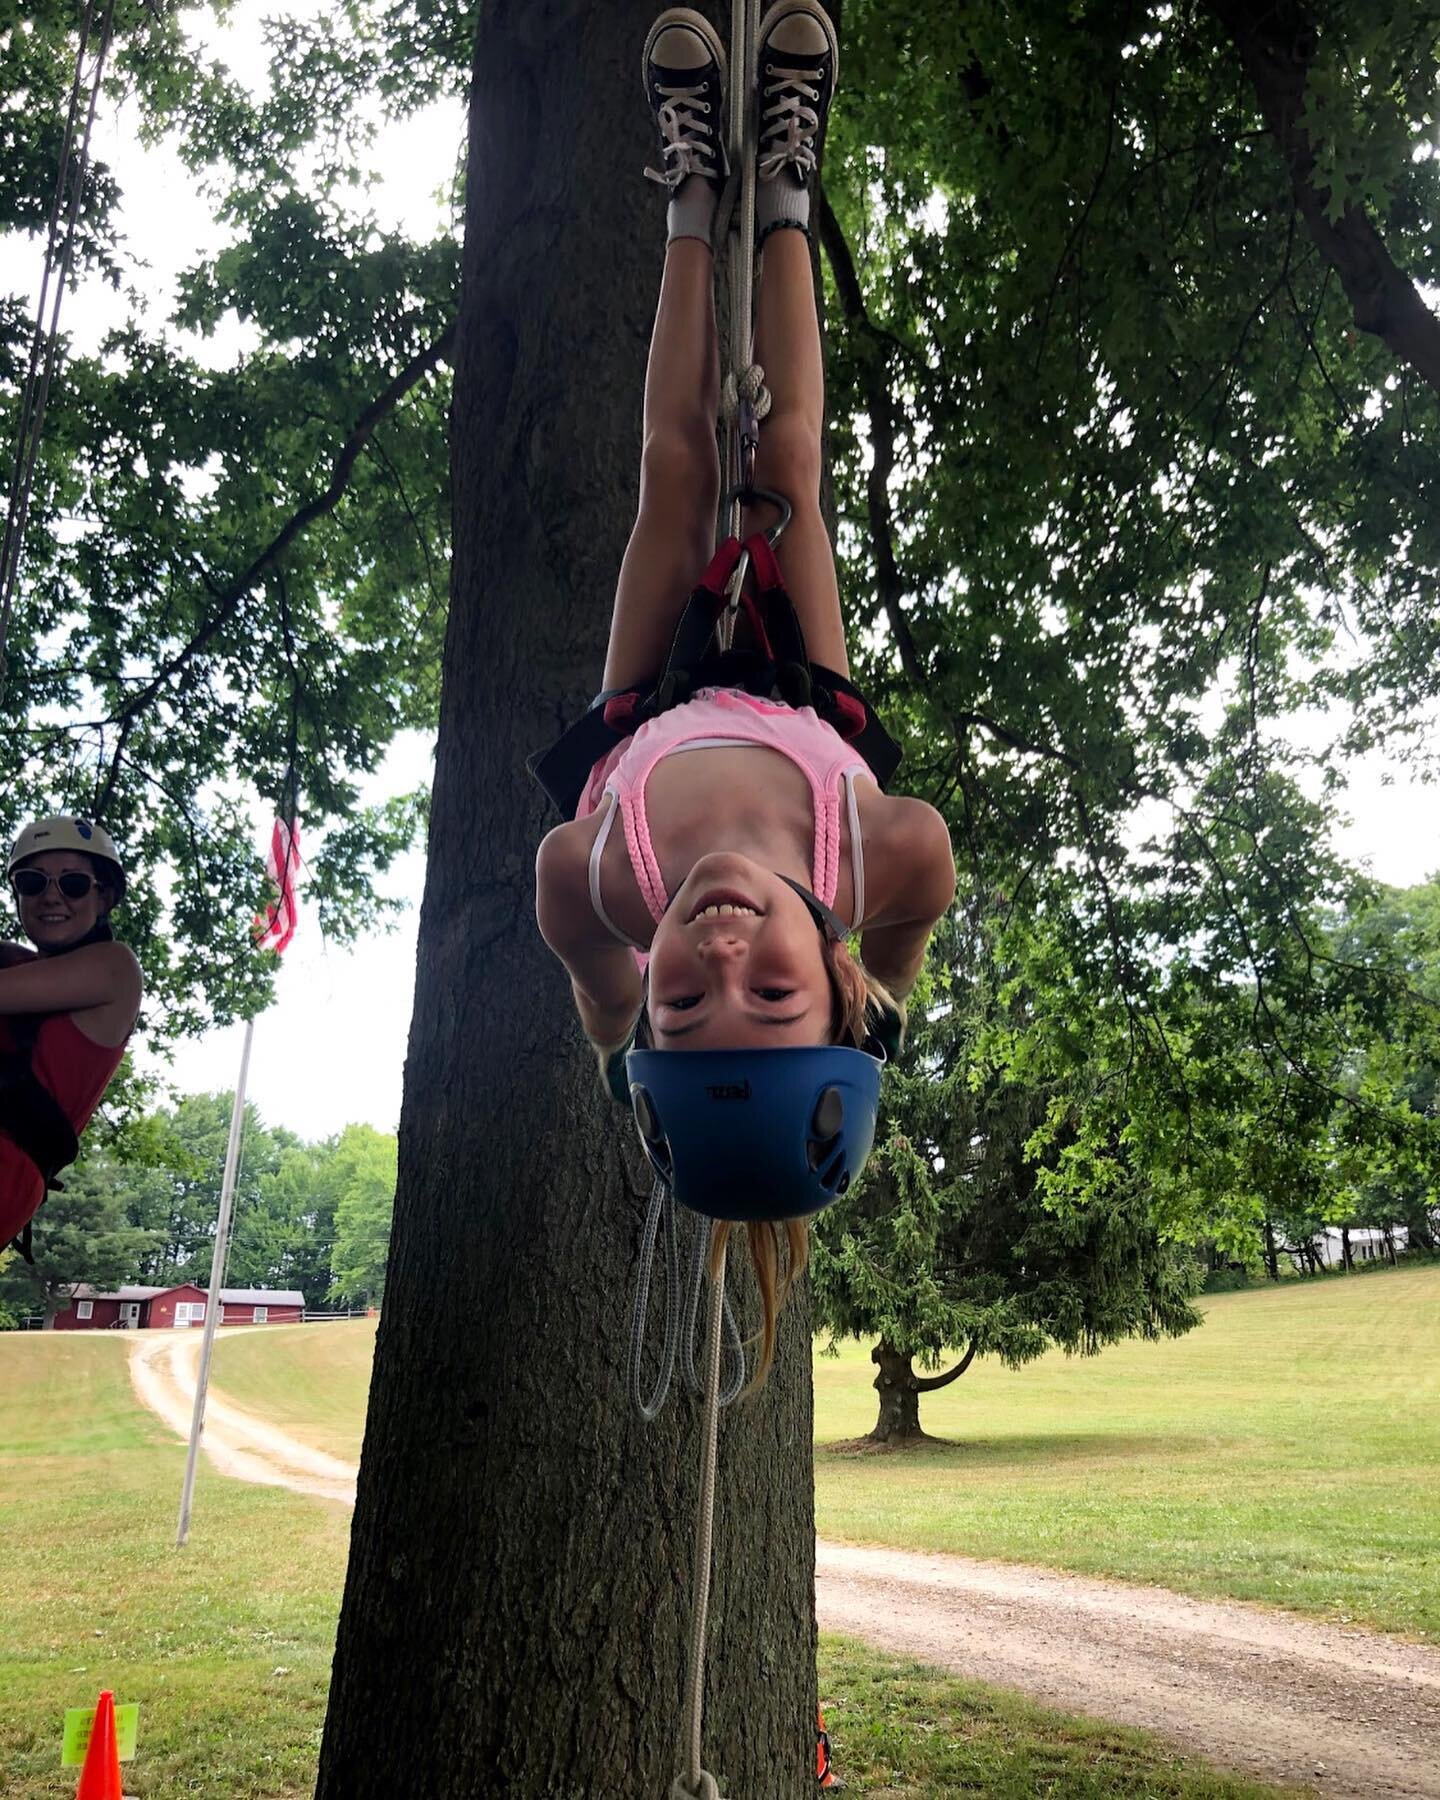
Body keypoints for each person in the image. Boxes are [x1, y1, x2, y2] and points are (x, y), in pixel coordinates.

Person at [533, 3, 954, 1391]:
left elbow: (568, 906)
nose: (717, 957)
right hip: (799, 712)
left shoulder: (608, 883)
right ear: (835, 986)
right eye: (772, 992)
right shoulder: (879, 857)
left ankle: (686, 199)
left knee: (673, 463)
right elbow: (905, 905)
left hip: (645, 714)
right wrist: (872, 981)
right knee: (785, 450)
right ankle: (784, 185)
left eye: (679, 1003)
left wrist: (610, 1010)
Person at [0, 816, 142, 1258]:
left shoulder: (116, 969)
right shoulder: (18, 966)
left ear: (104, 896)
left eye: (75, 884)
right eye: (32, 881)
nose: (51, 896)